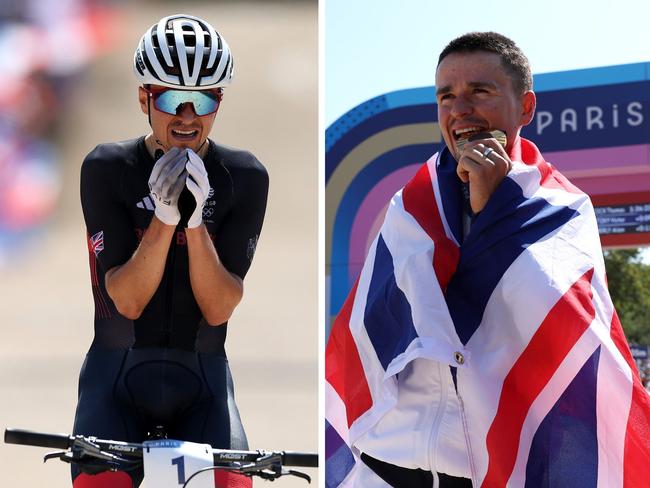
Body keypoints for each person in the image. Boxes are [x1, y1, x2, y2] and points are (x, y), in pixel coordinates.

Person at [325, 32, 650, 487]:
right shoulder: (410, 206)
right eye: (446, 97)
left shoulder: (564, 209)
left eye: (480, 92)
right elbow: (371, 326)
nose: (459, 109)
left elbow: (558, 327)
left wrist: (491, 211)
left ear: (525, 107)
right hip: (384, 464)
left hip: (485, 472)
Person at [72, 13, 268, 488]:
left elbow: (219, 308)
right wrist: (163, 218)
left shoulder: (244, 176)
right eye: (171, 98)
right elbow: (128, 300)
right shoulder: (107, 167)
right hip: (115, 380)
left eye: (203, 99)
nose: (186, 116)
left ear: (218, 102)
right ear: (144, 97)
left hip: (203, 382)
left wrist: (195, 222)